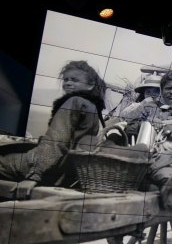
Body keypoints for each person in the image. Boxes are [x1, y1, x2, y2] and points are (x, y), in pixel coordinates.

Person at [0, 60, 106, 199]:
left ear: (90, 85)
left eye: (74, 80)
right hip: (65, 170)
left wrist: (34, 175)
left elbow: (56, 140)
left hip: (48, 167)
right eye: (66, 79)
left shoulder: (74, 101)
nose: (68, 83)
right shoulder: (93, 108)